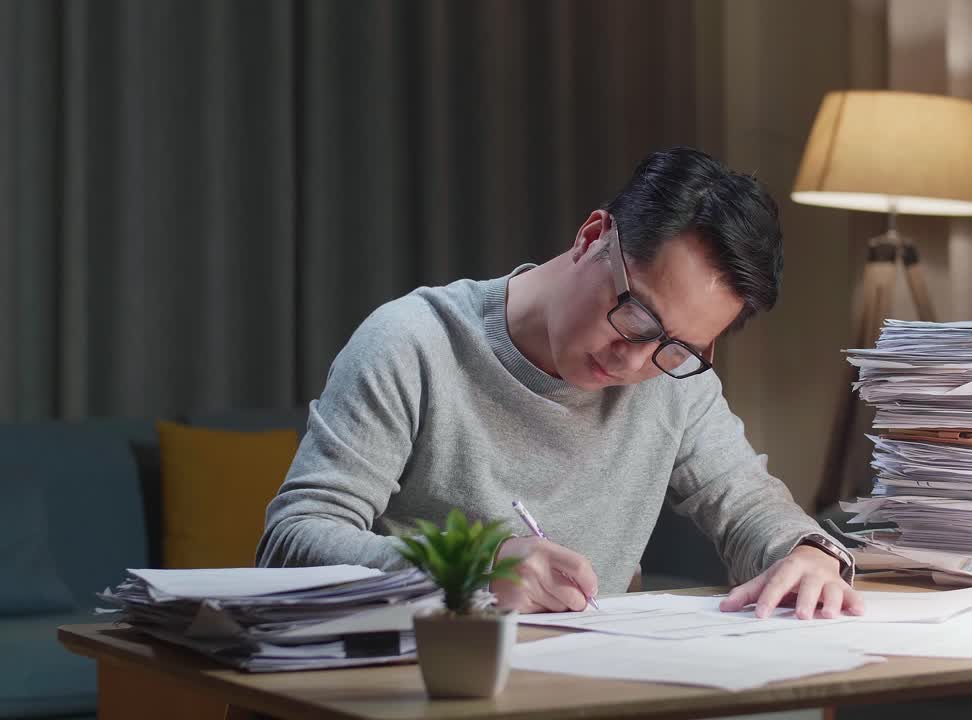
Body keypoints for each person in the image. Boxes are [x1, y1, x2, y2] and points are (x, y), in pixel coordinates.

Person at [257, 146, 861, 620]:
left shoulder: (672, 379)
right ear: (593, 237)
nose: (633, 361)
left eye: (675, 347)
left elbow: (749, 505)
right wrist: (475, 571)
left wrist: (810, 554)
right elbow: (291, 543)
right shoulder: (413, 343)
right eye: (636, 316)